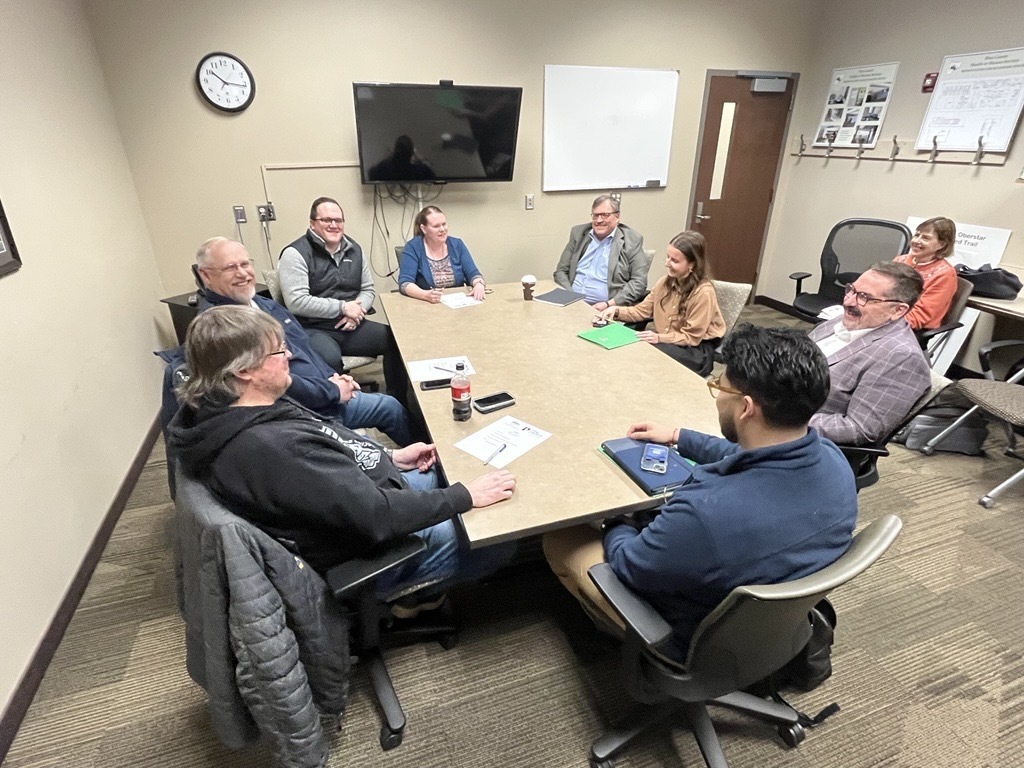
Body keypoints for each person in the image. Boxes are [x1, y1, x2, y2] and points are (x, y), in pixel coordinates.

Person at [543, 325, 857, 662]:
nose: (718, 395)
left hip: (696, 638)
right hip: (772, 618)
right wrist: (679, 436)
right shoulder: (834, 460)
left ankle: (615, 632)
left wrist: (616, 521)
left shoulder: (704, 514)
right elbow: (745, 453)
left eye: (720, 386)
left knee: (561, 537)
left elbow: (628, 564)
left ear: (746, 407)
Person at [166, 305, 517, 604]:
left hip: (364, 497)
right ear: (243, 370)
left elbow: (328, 449)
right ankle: (413, 597)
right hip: (371, 549)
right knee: (501, 534)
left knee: (453, 471)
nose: (289, 357)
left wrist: (389, 457)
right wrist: (464, 496)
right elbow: (377, 515)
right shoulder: (270, 448)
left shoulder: (241, 409)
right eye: (278, 352)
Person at [195, 236, 416, 446]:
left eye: (245, 264)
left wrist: (332, 377)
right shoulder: (225, 328)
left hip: (324, 392)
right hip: (303, 413)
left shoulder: (264, 304)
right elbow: (277, 384)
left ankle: (427, 456)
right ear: (205, 275)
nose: (242, 273)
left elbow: (304, 348)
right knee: (375, 454)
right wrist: (332, 391)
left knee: (390, 406)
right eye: (230, 268)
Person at [278, 196, 404, 398]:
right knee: (329, 359)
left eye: (338, 220)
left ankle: (398, 401)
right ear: (312, 223)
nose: (334, 225)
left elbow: (368, 289)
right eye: (326, 220)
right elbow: (297, 302)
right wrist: (343, 308)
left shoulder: (355, 249)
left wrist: (357, 313)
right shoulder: (295, 254)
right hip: (313, 328)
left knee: (397, 340)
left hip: (351, 324)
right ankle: (344, 406)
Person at [808, 261, 931, 445]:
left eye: (864, 297)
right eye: (851, 290)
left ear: (898, 310)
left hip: (804, 442)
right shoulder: (843, 320)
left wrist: (780, 421)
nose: (848, 301)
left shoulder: (901, 358)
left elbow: (859, 429)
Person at [597, 231, 725, 376]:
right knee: (636, 346)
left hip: (694, 350)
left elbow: (691, 337)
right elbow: (641, 311)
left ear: (692, 264)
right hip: (667, 342)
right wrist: (616, 311)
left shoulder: (703, 293)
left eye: (674, 261)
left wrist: (659, 338)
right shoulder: (663, 283)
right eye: (667, 257)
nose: (667, 263)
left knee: (646, 352)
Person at [553, 194, 650, 310]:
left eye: (605, 215)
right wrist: (570, 297)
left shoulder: (632, 240)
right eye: (595, 215)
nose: (599, 220)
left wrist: (609, 304)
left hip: (606, 308)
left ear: (617, 217)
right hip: (571, 304)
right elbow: (561, 272)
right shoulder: (578, 234)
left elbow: (639, 282)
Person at [399, 206, 487, 303]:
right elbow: (405, 283)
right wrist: (425, 295)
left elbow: (473, 274)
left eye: (444, 224)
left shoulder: (457, 245)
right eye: (436, 226)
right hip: (426, 304)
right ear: (424, 229)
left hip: (457, 303)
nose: (442, 229)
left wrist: (479, 284)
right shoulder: (413, 247)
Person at [892, 216, 958, 330]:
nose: (916, 241)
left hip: (908, 330)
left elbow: (919, 316)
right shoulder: (900, 260)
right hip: (886, 319)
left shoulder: (944, 275)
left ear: (941, 244)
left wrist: (883, 322)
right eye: (917, 235)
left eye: (926, 238)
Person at [367, 135, 436, 182]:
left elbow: (371, 174)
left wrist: (386, 158)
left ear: (395, 152)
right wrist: (422, 159)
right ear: (412, 153)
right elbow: (432, 176)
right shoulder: (420, 170)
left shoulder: (384, 168)